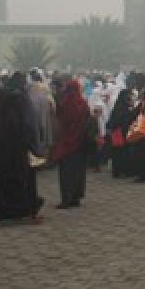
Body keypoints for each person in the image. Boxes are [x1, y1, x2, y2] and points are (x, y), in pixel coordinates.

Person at [0, 72, 43, 226]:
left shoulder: (4, 97)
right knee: (24, 181)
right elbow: (28, 124)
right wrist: (33, 146)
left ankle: (4, 212)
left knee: (6, 181)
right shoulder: (21, 98)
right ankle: (26, 211)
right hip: (20, 149)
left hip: (4, 148)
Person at [53, 79, 89, 209]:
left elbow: (60, 120)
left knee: (66, 172)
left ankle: (66, 199)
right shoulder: (84, 103)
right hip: (80, 142)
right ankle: (76, 197)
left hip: (67, 142)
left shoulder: (65, 103)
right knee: (79, 171)